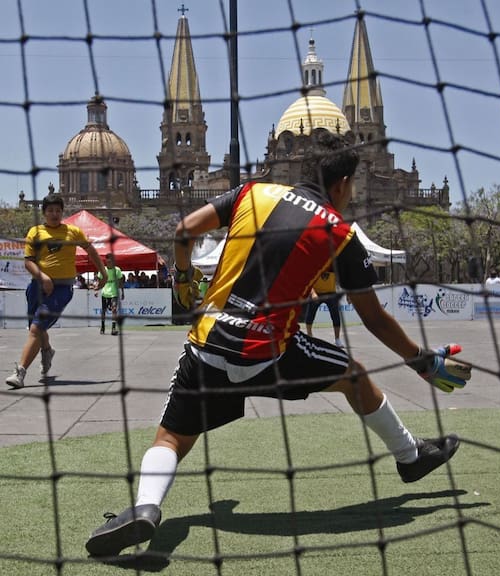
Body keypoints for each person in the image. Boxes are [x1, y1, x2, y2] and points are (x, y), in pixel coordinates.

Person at [85, 130, 472, 557]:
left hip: (208, 343)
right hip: (268, 354)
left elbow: (182, 231)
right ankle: (409, 457)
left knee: (172, 439)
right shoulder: (339, 232)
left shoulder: (253, 193)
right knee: (355, 376)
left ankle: (146, 506)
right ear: (343, 185)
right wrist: (421, 360)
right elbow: (374, 316)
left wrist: (182, 280)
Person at [5, 194, 107, 389]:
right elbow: (28, 261)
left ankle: (20, 373)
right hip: (37, 287)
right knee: (36, 327)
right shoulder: (35, 232)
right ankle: (47, 350)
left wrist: (103, 273)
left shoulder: (73, 232)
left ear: (63, 212)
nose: (54, 214)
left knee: (36, 328)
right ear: (44, 212)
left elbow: (92, 251)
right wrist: (43, 277)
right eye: (50, 210)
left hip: (62, 289)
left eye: (58, 210)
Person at [304, 270, 343, 347]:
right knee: (310, 315)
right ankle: (309, 335)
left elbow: (342, 280)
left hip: (331, 293)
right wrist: (313, 293)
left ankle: (337, 339)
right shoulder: (316, 265)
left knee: (336, 316)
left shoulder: (333, 265)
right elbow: (309, 282)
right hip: (316, 293)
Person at [96, 253, 124, 336]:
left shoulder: (117, 270)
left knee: (114, 309)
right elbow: (99, 281)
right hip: (105, 292)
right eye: (108, 261)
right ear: (106, 261)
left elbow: (121, 281)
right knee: (104, 310)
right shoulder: (102, 270)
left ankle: (113, 328)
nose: (109, 263)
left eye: (111, 261)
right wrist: (96, 290)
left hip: (114, 292)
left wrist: (122, 292)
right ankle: (102, 326)